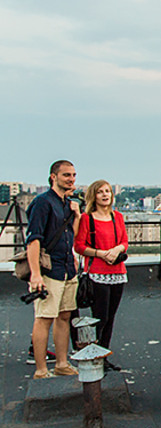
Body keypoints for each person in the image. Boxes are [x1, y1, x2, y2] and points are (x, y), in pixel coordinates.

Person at [25, 160, 82, 379]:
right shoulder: (42, 202)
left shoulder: (67, 203)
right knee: (44, 317)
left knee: (64, 316)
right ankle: (41, 370)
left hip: (66, 267)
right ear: (53, 177)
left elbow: (71, 235)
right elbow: (34, 239)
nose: (71, 179)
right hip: (49, 270)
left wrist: (77, 215)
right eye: (66, 175)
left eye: (73, 175)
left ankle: (61, 363)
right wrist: (35, 274)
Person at [74, 179, 129, 372]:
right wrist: (100, 253)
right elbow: (79, 246)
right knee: (100, 316)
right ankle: (93, 354)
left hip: (117, 272)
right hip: (97, 273)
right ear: (93, 196)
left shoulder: (118, 217)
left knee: (111, 317)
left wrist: (117, 250)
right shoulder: (87, 219)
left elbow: (124, 241)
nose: (105, 195)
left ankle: (103, 355)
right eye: (100, 192)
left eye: (107, 191)